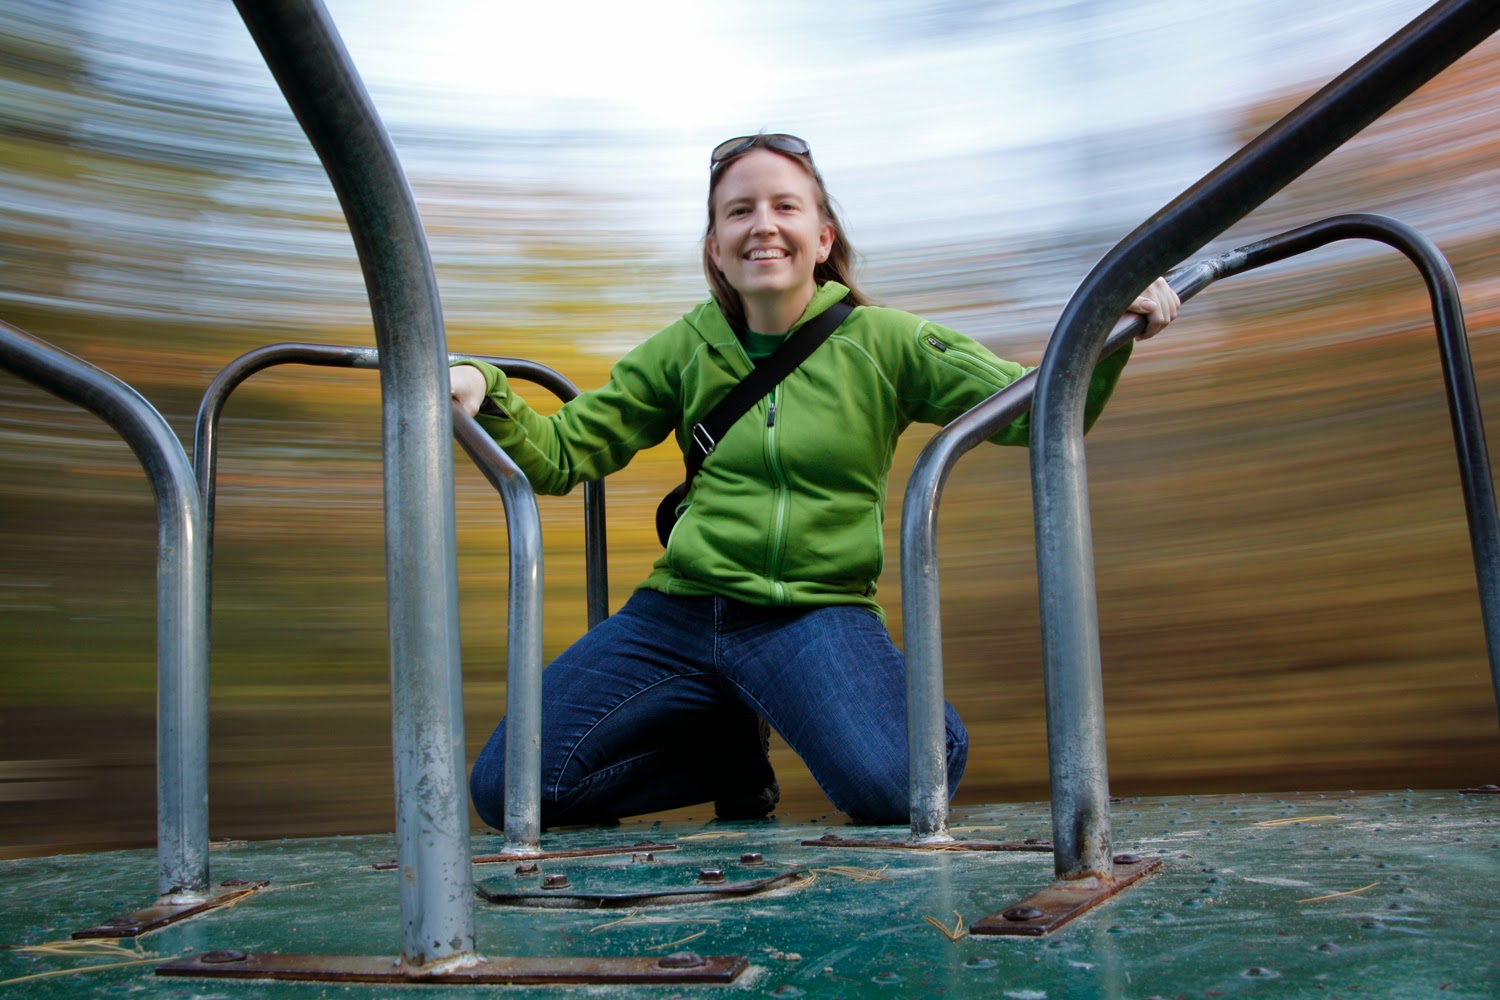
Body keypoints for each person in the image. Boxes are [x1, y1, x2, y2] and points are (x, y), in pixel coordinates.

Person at [450, 132, 1178, 828]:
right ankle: (723, 759)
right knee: (507, 789)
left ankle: (887, 715)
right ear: (716, 249)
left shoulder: (885, 343)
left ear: (823, 239)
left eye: (785, 206)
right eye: (739, 211)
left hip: (814, 616)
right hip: (677, 615)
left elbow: (1034, 408)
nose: (762, 225)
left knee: (899, 785)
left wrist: (1107, 330)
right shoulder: (683, 349)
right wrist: (486, 381)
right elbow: (560, 454)